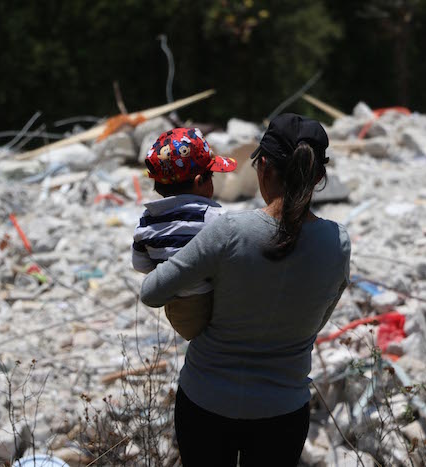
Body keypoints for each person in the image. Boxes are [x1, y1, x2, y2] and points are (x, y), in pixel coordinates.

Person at [140, 113, 351, 466]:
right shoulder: (338, 243)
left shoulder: (229, 232)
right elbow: (317, 322)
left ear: (263, 166)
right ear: (318, 176)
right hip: (283, 412)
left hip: (206, 403)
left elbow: (152, 292)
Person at [132, 127, 237, 340]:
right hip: (210, 307)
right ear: (200, 181)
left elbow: (140, 265)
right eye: (212, 176)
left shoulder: (147, 221)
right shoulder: (214, 217)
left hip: (178, 314)